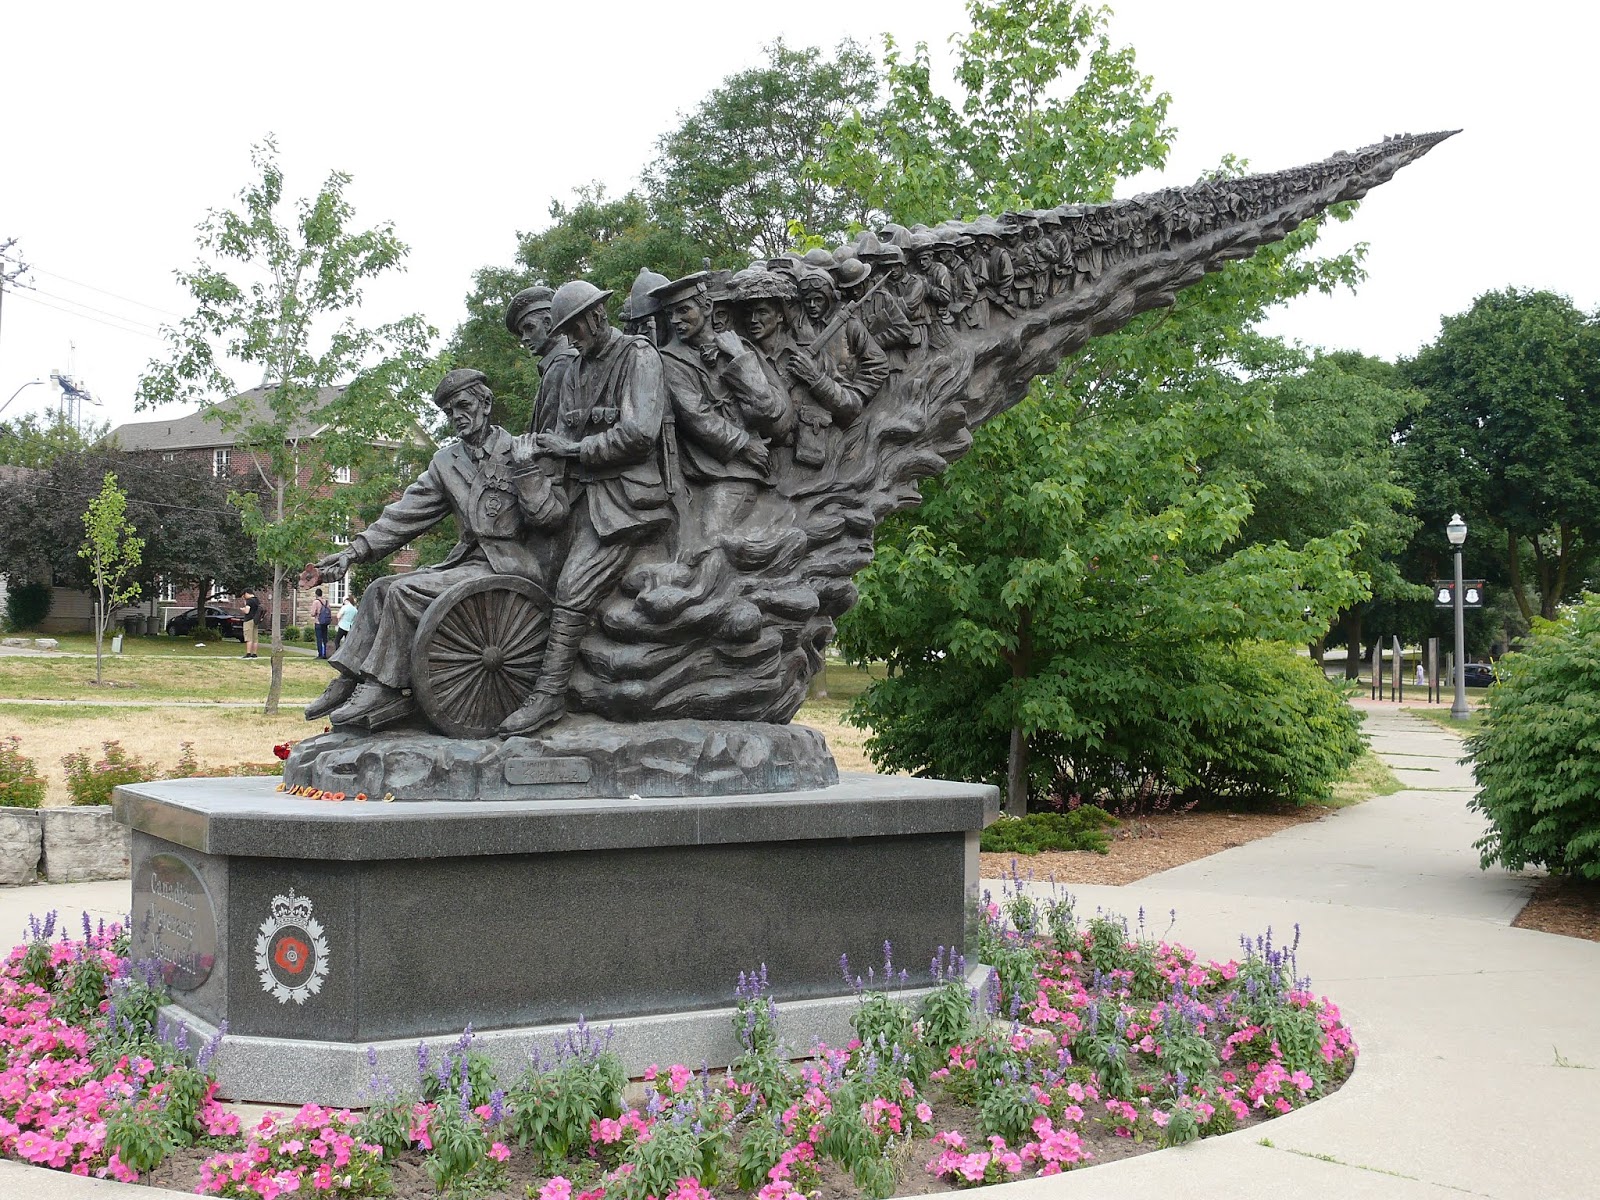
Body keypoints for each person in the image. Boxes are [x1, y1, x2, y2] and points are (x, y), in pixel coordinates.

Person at [305, 368, 567, 730]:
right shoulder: (446, 463)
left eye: (463, 405)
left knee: (403, 590)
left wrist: (525, 470)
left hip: (510, 567)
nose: (457, 417)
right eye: (449, 412)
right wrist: (352, 553)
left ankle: (383, 686)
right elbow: (405, 514)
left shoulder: (522, 450)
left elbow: (551, 517)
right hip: (467, 564)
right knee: (380, 588)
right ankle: (350, 680)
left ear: (485, 403)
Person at [495, 280, 672, 738]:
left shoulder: (638, 357)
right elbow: (560, 435)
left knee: (573, 588)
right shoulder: (574, 369)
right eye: (564, 331)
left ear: (596, 317)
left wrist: (571, 451)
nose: (569, 339)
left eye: (574, 328)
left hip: (626, 506)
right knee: (526, 570)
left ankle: (548, 697)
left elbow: (638, 434)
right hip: (577, 497)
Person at [310, 587, 332, 659]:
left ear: (316, 594)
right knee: (325, 639)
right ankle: (325, 654)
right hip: (325, 623)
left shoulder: (316, 602)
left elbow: (313, 613)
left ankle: (320, 654)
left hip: (318, 622)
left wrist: (316, 613)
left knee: (319, 639)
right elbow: (329, 611)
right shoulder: (326, 602)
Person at [239, 588, 261, 659]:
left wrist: (243, 609)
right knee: (255, 638)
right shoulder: (257, 600)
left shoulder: (249, 601)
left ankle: (248, 653)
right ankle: (254, 653)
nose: (244, 597)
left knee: (248, 637)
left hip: (249, 620)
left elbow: (247, 611)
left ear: (246, 593)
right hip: (256, 620)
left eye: (244, 595)